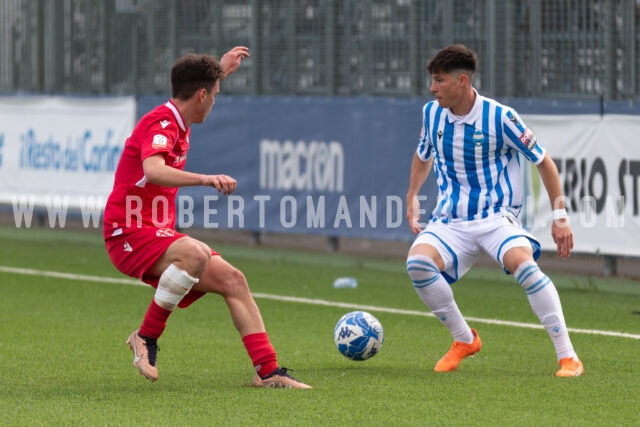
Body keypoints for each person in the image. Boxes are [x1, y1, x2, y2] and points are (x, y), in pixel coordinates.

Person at [103, 47, 311, 388]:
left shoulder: (180, 116)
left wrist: (221, 71)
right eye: (214, 94)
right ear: (201, 95)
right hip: (127, 231)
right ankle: (146, 336)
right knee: (195, 253)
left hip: (155, 229)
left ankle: (268, 371)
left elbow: (198, 89)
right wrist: (206, 179)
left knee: (233, 280)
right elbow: (153, 170)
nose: (214, 101)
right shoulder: (162, 122)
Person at [405, 44, 583, 377]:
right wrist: (412, 194)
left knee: (525, 267)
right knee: (417, 265)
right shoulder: (432, 113)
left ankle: (568, 357)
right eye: (432, 80)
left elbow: (544, 162)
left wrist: (560, 218)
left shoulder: (500, 117)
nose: (432, 88)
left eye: (439, 81)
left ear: (462, 81)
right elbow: (422, 154)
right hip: (450, 220)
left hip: (495, 218)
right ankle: (464, 340)